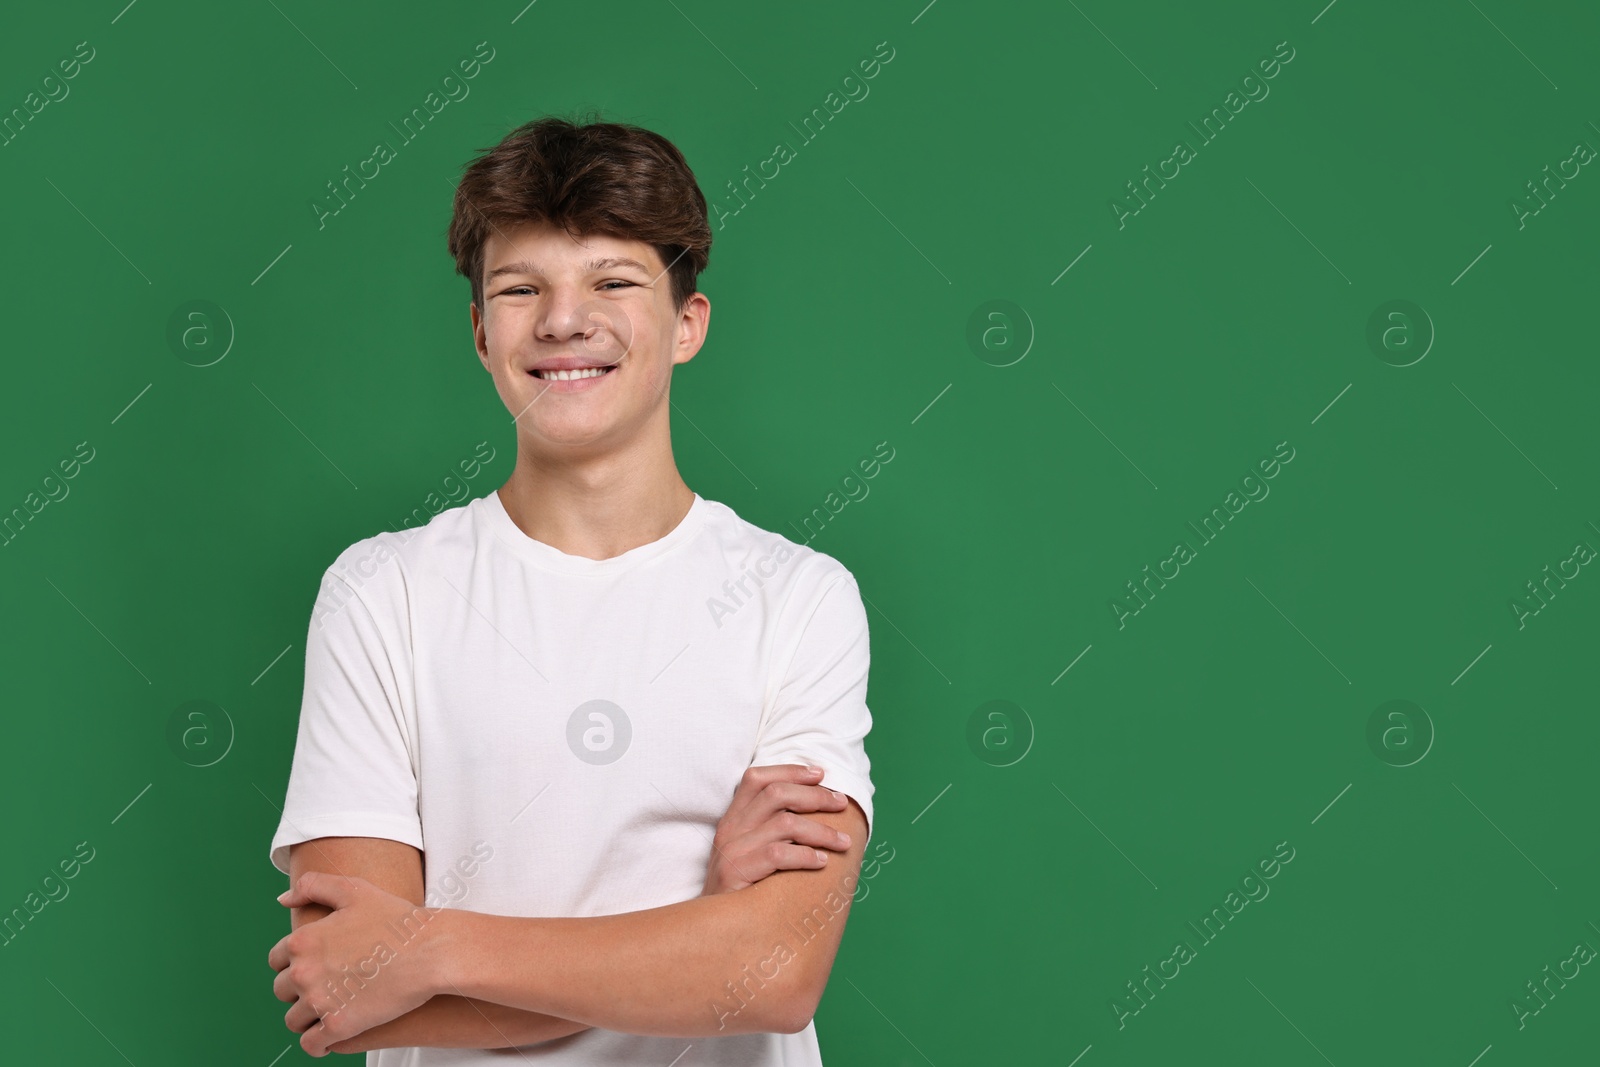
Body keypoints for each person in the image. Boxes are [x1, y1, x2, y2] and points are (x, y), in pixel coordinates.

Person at [266, 113, 877, 1063]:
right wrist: (705, 923)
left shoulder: (798, 598)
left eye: (613, 281)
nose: (563, 319)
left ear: (686, 325)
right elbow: (343, 988)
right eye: (521, 288)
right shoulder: (379, 593)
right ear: (479, 332)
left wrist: (427, 949)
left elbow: (775, 976)